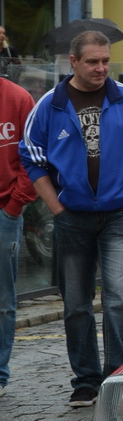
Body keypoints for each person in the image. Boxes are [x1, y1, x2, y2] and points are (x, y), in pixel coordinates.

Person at [20, 31, 123, 407]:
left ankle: (117, 377)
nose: (101, 68)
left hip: (120, 214)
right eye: (92, 62)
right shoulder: (50, 104)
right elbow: (31, 157)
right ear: (73, 62)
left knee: (120, 299)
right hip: (72, 218)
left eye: (106, 61)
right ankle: (85, 380)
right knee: (76, 304)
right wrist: (57, 207)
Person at [0, 74, 35, 396]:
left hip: (4, 211)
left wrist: (14, 205)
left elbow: (34, 155)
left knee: (3, 300)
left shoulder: (18, 98)